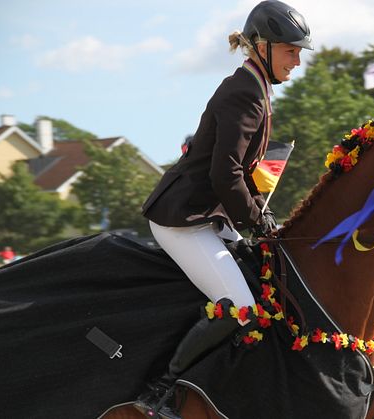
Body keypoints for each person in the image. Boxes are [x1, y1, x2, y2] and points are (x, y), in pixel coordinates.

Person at [136, 2, 313, 417]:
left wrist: (263, 219)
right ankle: (161, 393)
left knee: (263, 276)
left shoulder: (255, 86)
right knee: (240, 307)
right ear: (264, 48)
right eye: (292, 51)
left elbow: (237, 173)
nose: (298, 61)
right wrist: (258, 219)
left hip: (207, 216)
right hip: (182, 220)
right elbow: (225, 173)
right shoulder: (245, 92)